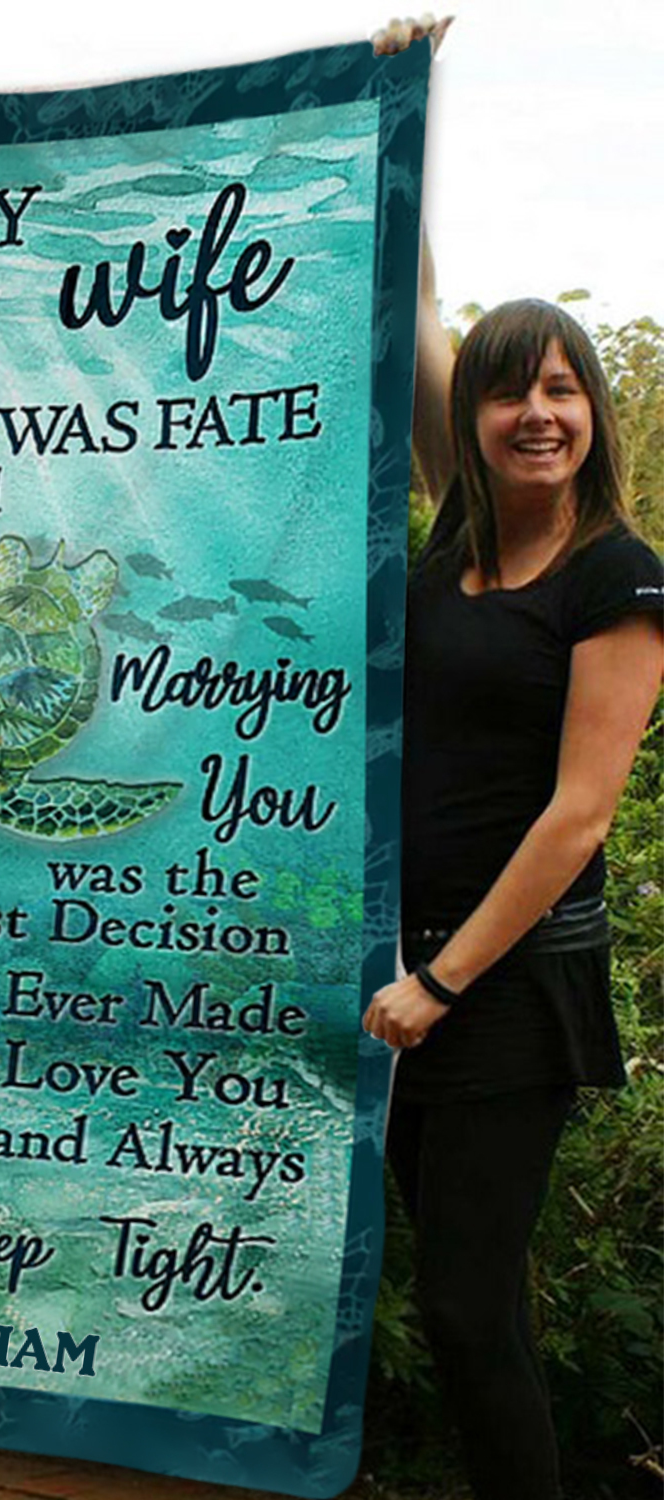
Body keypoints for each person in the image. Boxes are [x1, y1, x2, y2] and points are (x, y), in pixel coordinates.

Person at [364, 18, 664, 1500]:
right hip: (403, 968)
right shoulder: (456, 535)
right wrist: (404, 95)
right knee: (459, 1305)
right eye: (507, 392)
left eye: (563, 388)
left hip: (501, 987)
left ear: (592, 409)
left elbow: (580, 814)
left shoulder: (619, 578)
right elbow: (418, 302)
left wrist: (439, 983)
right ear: (475, 421)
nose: (536, 413)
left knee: (467, 1308)